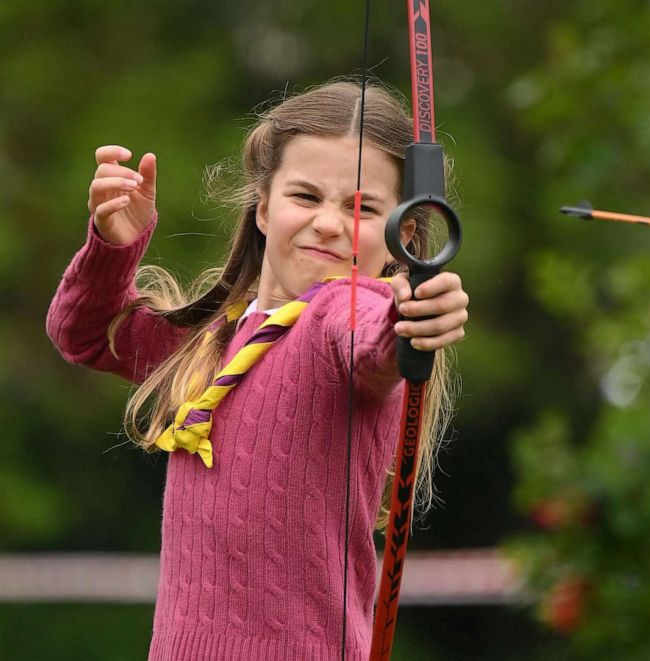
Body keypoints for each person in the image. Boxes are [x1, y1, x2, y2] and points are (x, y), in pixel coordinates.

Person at [45, 80, 469, 660]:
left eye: (362, 207)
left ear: (405, 237)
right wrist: (113, 246)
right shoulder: (210, 339)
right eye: (305, 196)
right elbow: (85, 333)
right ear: (263, 208)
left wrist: (411, 316)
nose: (327, 223)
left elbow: (372, 342)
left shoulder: (341, 314)